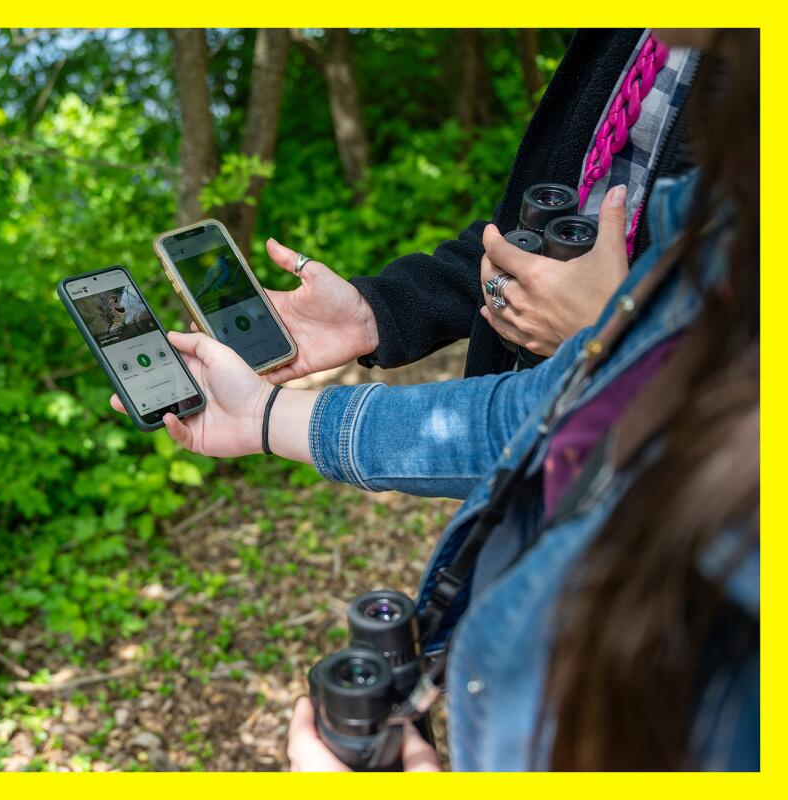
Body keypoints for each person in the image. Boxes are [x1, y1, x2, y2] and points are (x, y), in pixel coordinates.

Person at [115, 28, 758, 770]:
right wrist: (363, 324)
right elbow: (517, 261)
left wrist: (612, 340)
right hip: (551, 502)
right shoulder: (637, 41)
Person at [259, 29, 700, 383]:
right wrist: (374, 312)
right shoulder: (623, 36)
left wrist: (612, 338)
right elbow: (516, 243)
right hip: (528, 429)